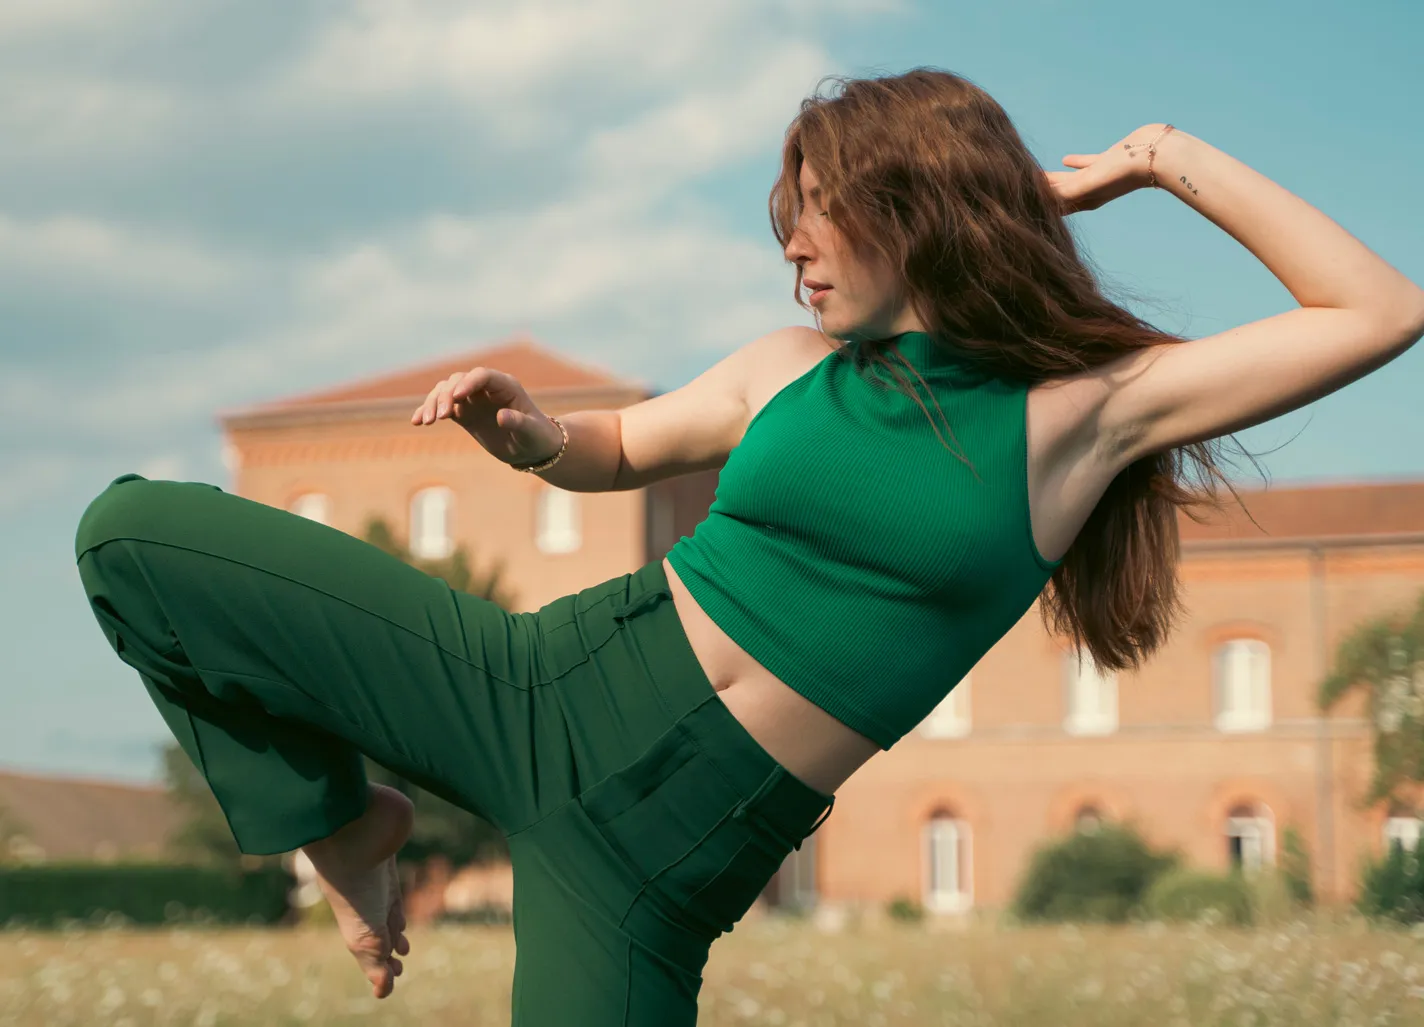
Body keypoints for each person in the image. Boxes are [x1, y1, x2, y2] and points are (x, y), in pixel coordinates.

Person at [73, 69, 1423, 1025]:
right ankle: (341, 822)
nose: (792, 243)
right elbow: (622, 449)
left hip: (662, 858)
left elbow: (1376, 310)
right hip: (537, 688)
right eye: (786, 212)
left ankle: (354, 822)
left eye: (821, 206)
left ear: (923, 202)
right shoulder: (786, 368)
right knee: (131, 537)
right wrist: (533, 436)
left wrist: (1158, 157)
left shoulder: (1084, 413)